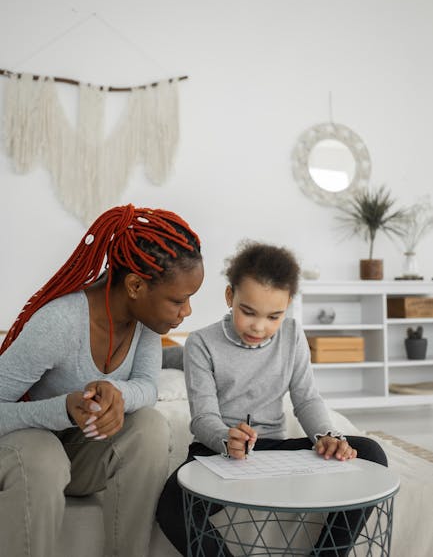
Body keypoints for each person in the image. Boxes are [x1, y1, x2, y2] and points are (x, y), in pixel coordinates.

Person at [156, 240, 387, 556]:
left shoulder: (293, 335)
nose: (259, 327)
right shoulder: (201, 343)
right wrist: (227, 439)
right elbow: (203, 417)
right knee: (171, 507)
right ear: (229, 296)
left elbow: (306, 399)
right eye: (248, 312)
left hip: (275, 450)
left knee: (371, 451)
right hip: (218, 451)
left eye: (273, 316)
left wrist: (326, 436)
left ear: (289, 304)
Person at [0, 204, 203, 557]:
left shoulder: (147, 323)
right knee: (44, 455)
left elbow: (148, 386)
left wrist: (117, 394)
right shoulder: (60, 323)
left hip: (80, 459)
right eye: (179, 300)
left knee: (150, 426)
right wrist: (64, 408)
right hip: (28, 455)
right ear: (136, 285)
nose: (187, 312)